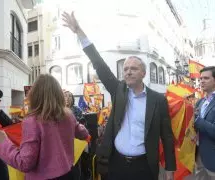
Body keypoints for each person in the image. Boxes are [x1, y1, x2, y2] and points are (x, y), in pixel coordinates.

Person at [62, 11, 176, 180]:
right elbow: (99, 64)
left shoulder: (158, 100)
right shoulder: (118, 90)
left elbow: (166, 136)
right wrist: (79, 32)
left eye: (134, 69)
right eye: (126, 69)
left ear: (144, 73)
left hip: (144, 166)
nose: (128, 72)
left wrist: (170, 168)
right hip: (115, 164)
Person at [0, 74, 89, 180]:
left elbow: (25, 163)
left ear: (34, 95)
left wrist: (4, 142)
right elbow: (84, 134)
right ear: (59, 94)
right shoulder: (69, 115)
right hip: (69, 173)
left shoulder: (33, 121)